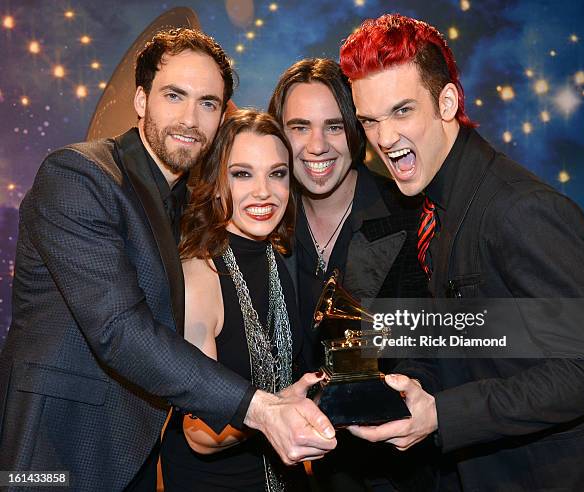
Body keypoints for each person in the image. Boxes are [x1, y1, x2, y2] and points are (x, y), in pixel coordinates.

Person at [0, 28, 335, 491]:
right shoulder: (79, 177)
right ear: (140, 100)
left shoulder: (186, 206)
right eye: (174, 95)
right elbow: (119, 329)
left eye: (208, 103)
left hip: (135, 455)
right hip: (60, 449)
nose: (190, 118)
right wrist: (260, 407)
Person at [339, 14, 584, 491]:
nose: (383, 138)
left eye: (402, 111)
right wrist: (411, 387)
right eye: (370, 120)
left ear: (447, 102)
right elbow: (476, 337)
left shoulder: (519, 209)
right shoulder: (439, 200)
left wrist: (442, 413)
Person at [268, 58, 437, 491]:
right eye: (299, 127)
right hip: (294, 472)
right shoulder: (263, 222)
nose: (317, 145)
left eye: (334, 126)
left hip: (394, 468)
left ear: (356, 130)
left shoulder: (408, 214)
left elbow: (430, 344)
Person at [161, 109, 313, 491]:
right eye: (242, 173)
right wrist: (282, 409)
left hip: (284, 476)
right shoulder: (199, 275)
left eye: (277, 173)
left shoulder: (279, 257)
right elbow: (199, 432)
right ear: (214, 183)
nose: (264, 191)